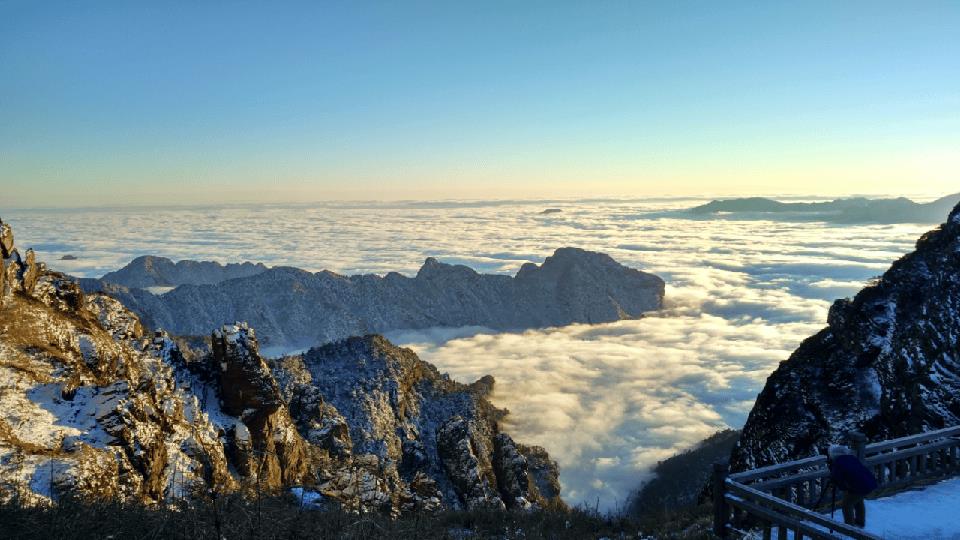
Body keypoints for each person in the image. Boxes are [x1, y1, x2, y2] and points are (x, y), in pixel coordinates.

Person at [827, 444, 878, 527]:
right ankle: (860, 522)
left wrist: (844, 488)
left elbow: (838, 479)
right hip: (869, 482)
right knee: (858, 501)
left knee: (846, 505)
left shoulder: (838, 463)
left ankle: (849, 527)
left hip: (859, 485)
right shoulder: (852, 458)